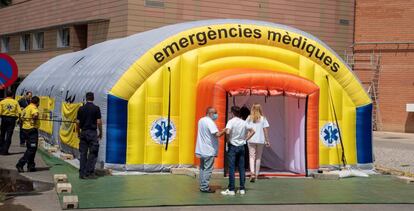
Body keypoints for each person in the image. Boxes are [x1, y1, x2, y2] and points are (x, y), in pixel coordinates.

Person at [221, 106, 255, 196]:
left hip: (233, 146)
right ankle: (242, 188)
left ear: (232, 113)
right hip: (241, 146)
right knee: (241, 168)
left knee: (232, 168)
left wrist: (228, 141)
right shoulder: (244, 122)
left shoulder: (231, 121)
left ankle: (231, 189)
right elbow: (253, 131)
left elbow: (227, 132)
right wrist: (245, 139)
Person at [195, 107, 225, 193]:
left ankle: (202, 184)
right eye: (215, 113)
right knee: (208, 169)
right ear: (210, 113)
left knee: (202, 168)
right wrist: (224, 131)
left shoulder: (201, 120)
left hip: (201, 149)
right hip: (209, 150)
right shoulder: (210, 122)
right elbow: (217, 134)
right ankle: (204, 187)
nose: (216, 115)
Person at [76, 92, 102, 180]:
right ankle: (89, 172)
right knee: (93, 153)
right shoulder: (96, 108)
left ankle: (82, 173)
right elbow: (98, 122)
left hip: (83, 132)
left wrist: (78, 133)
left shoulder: (81, 108)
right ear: (93, 98)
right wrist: (100, 132)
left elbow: (77, 123)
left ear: (86, 98)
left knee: (83, 153)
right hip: (92, 133)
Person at [246, 103, 270, 182]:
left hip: (251, 139)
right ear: (260, 109)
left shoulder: (249, 118)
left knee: (252, 156)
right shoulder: (263, 118)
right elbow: (265, 130)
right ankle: (256, 175)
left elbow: (245, 127)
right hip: (260, 140)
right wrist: (267, 140)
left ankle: (252, 173)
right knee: (258, 157)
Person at [16, 96, 40, 172]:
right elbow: (35, 115)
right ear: (37, 102)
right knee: (32, 148)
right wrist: (34, 118)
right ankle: (20, 164)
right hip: (32, 131)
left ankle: (31, 165)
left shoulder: (26, 108)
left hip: (25, 130)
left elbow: (21, 119)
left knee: (31, 148)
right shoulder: (33, 107)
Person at [0, 90, 21, 155]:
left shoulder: (2, 102)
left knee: (2, 134)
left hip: (4, 118)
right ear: (12, 95)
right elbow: (19, 112)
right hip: (12, 119)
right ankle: (5, 151)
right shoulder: (15, 102)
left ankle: (1, 149)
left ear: (6, 95)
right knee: (9, 135)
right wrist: (17, 118)